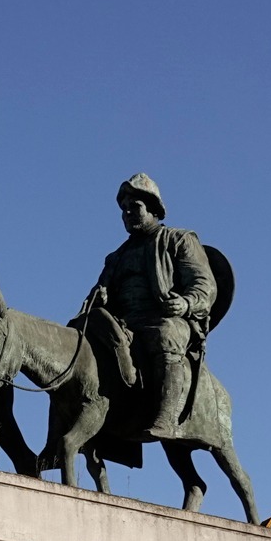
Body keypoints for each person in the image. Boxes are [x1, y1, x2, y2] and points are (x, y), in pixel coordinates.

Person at [77, 173, 217, 439]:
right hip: (124, 323)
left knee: (165, 334)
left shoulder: (179, 239)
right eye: (123, 209)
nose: (127, 213)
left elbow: (205, 285)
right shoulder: (116, 257)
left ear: (153, 208)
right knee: (81, 336)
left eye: (135, 206)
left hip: (166, 318)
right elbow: (99, 291)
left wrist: (185, 303)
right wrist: (100, 296)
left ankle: (167, 417)